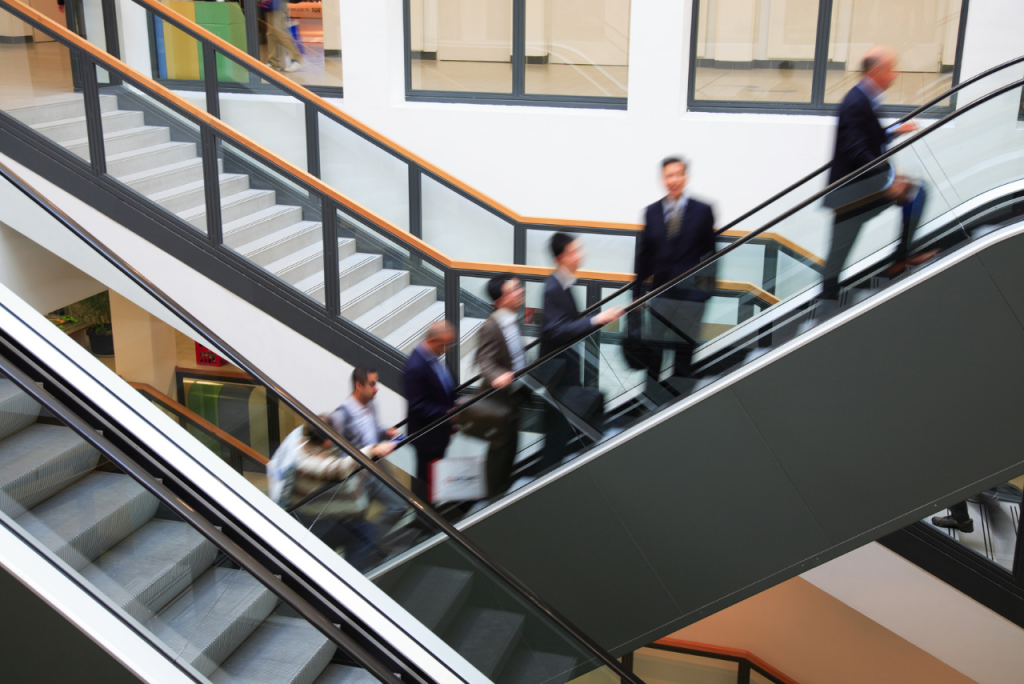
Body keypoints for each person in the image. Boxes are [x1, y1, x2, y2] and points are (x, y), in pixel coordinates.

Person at [821, 45, 932, 302]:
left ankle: (900, 258)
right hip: (853, 194)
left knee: (914, 193)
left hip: (858, 190)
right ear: (878, 71)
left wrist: (894, 131)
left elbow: (870, 138)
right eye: (891, 69)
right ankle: (827, 302)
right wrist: (889, 179)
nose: (895, 74)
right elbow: (856, 150)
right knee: (839, 250)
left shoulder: (864, 98)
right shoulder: (856, 102)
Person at [538, 233, 622, 466]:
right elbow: (555, 330)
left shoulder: (563, 284)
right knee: (557, 436)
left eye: (579, 250)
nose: (580, 255)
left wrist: (598, 320)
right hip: (559, 377)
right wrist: (596, 320)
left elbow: (566, 326)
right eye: (574, 251)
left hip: (565, 374)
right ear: (561, 257)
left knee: (560, 432)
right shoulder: (553, 288)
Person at [633, 156, 717, 384]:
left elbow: (711, 254)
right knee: (654, 357)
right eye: (669, 175)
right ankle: (650, 411)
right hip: (660, 296)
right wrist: (637, 293)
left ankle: (678, 410)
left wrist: (704, 294)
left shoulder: (703, 210)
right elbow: (645, 255)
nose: (674, 180)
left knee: (684, 359)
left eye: (678, 174)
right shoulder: (651, 212)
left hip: (691, 300)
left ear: (685, 177)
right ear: (663, 179)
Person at [276, 419, 387, 571]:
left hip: (340, 519)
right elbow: (337, 469)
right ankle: (350, 585)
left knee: (367, 535)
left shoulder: (312, 448)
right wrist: (372, 450)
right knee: (363, 538)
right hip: (320, 523)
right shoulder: (305, 460)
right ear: (327, 441)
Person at [325, 366, 408, 557]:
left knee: (399, 505)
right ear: (358, 386)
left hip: (376, 472)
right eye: (372, 384)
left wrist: (386, 432)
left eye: (376, 383)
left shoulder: (370, 404)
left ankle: (372, 542)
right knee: (353, 526)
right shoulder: (341, 416)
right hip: (358, 480)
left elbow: (372, 431)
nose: (376, 388)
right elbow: (337, 455)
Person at [476, 276, 528, 497]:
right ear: (499, 300)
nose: (519, 292)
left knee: (510, 448)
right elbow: (484, 359)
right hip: (500, 400)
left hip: (514, 396)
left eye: (517, 288)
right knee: (499, 452)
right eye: (513, 290)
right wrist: (498, 376)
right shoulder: (491, 326)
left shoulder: (511, 320)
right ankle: (494, 498)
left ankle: (503, 491)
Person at [403, 321, 458, 500]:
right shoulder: (416, 367)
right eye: (445, 344)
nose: (447, 349)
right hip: (427, 438)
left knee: (434, 480)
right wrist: (447, 413)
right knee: (425, 484)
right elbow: (418, 405)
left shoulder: (431, 358)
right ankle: (425, 522)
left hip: (439, 435)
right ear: (433, 340)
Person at [261, 0, 304, 73]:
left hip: (277, 3)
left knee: (278, 31)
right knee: (271, 33)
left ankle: (296, 59)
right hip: (270, 4)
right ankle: (273, 63)